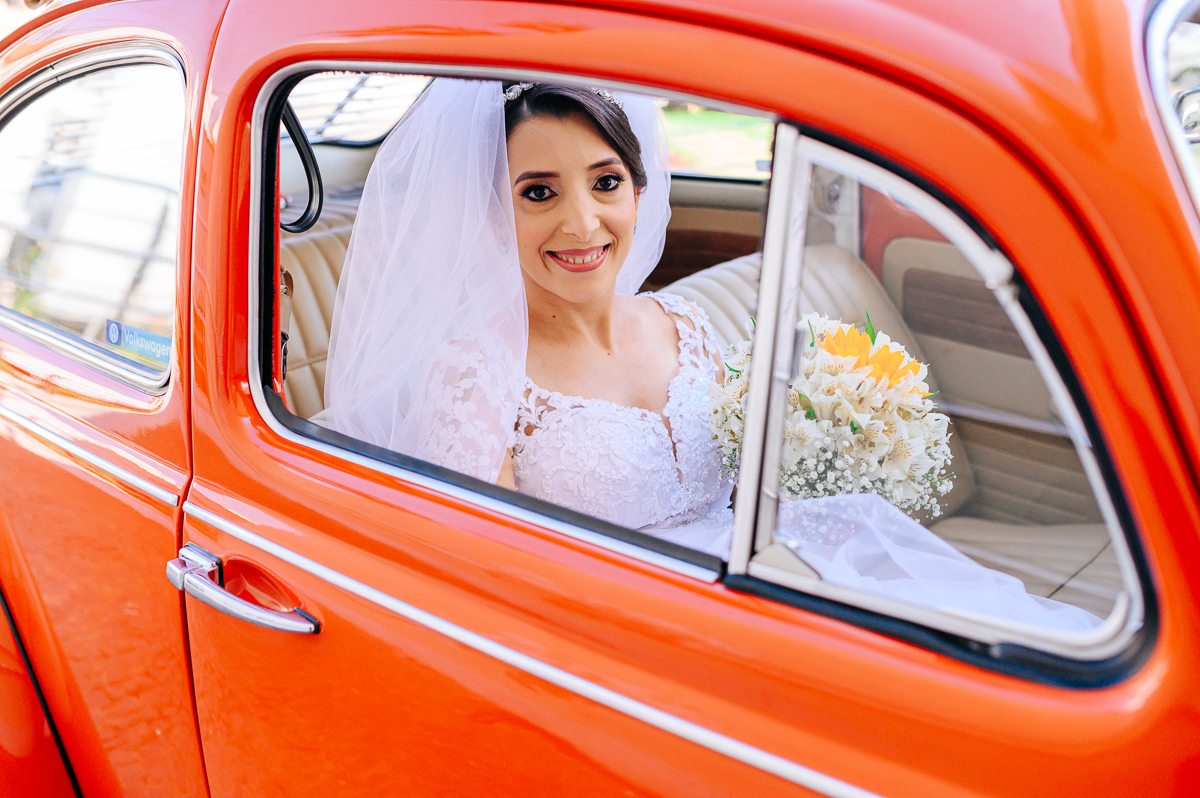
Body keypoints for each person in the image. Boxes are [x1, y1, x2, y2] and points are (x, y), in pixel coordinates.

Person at [324, 78, 1104, 633]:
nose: (583, 222)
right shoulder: (475, 373)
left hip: (763, 575)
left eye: (605, 182)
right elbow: (491, 581)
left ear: (639, 192)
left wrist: (823, 439)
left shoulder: (685, 323)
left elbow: (739, 479)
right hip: (633, 628)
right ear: (493, 214)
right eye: (539, 192)